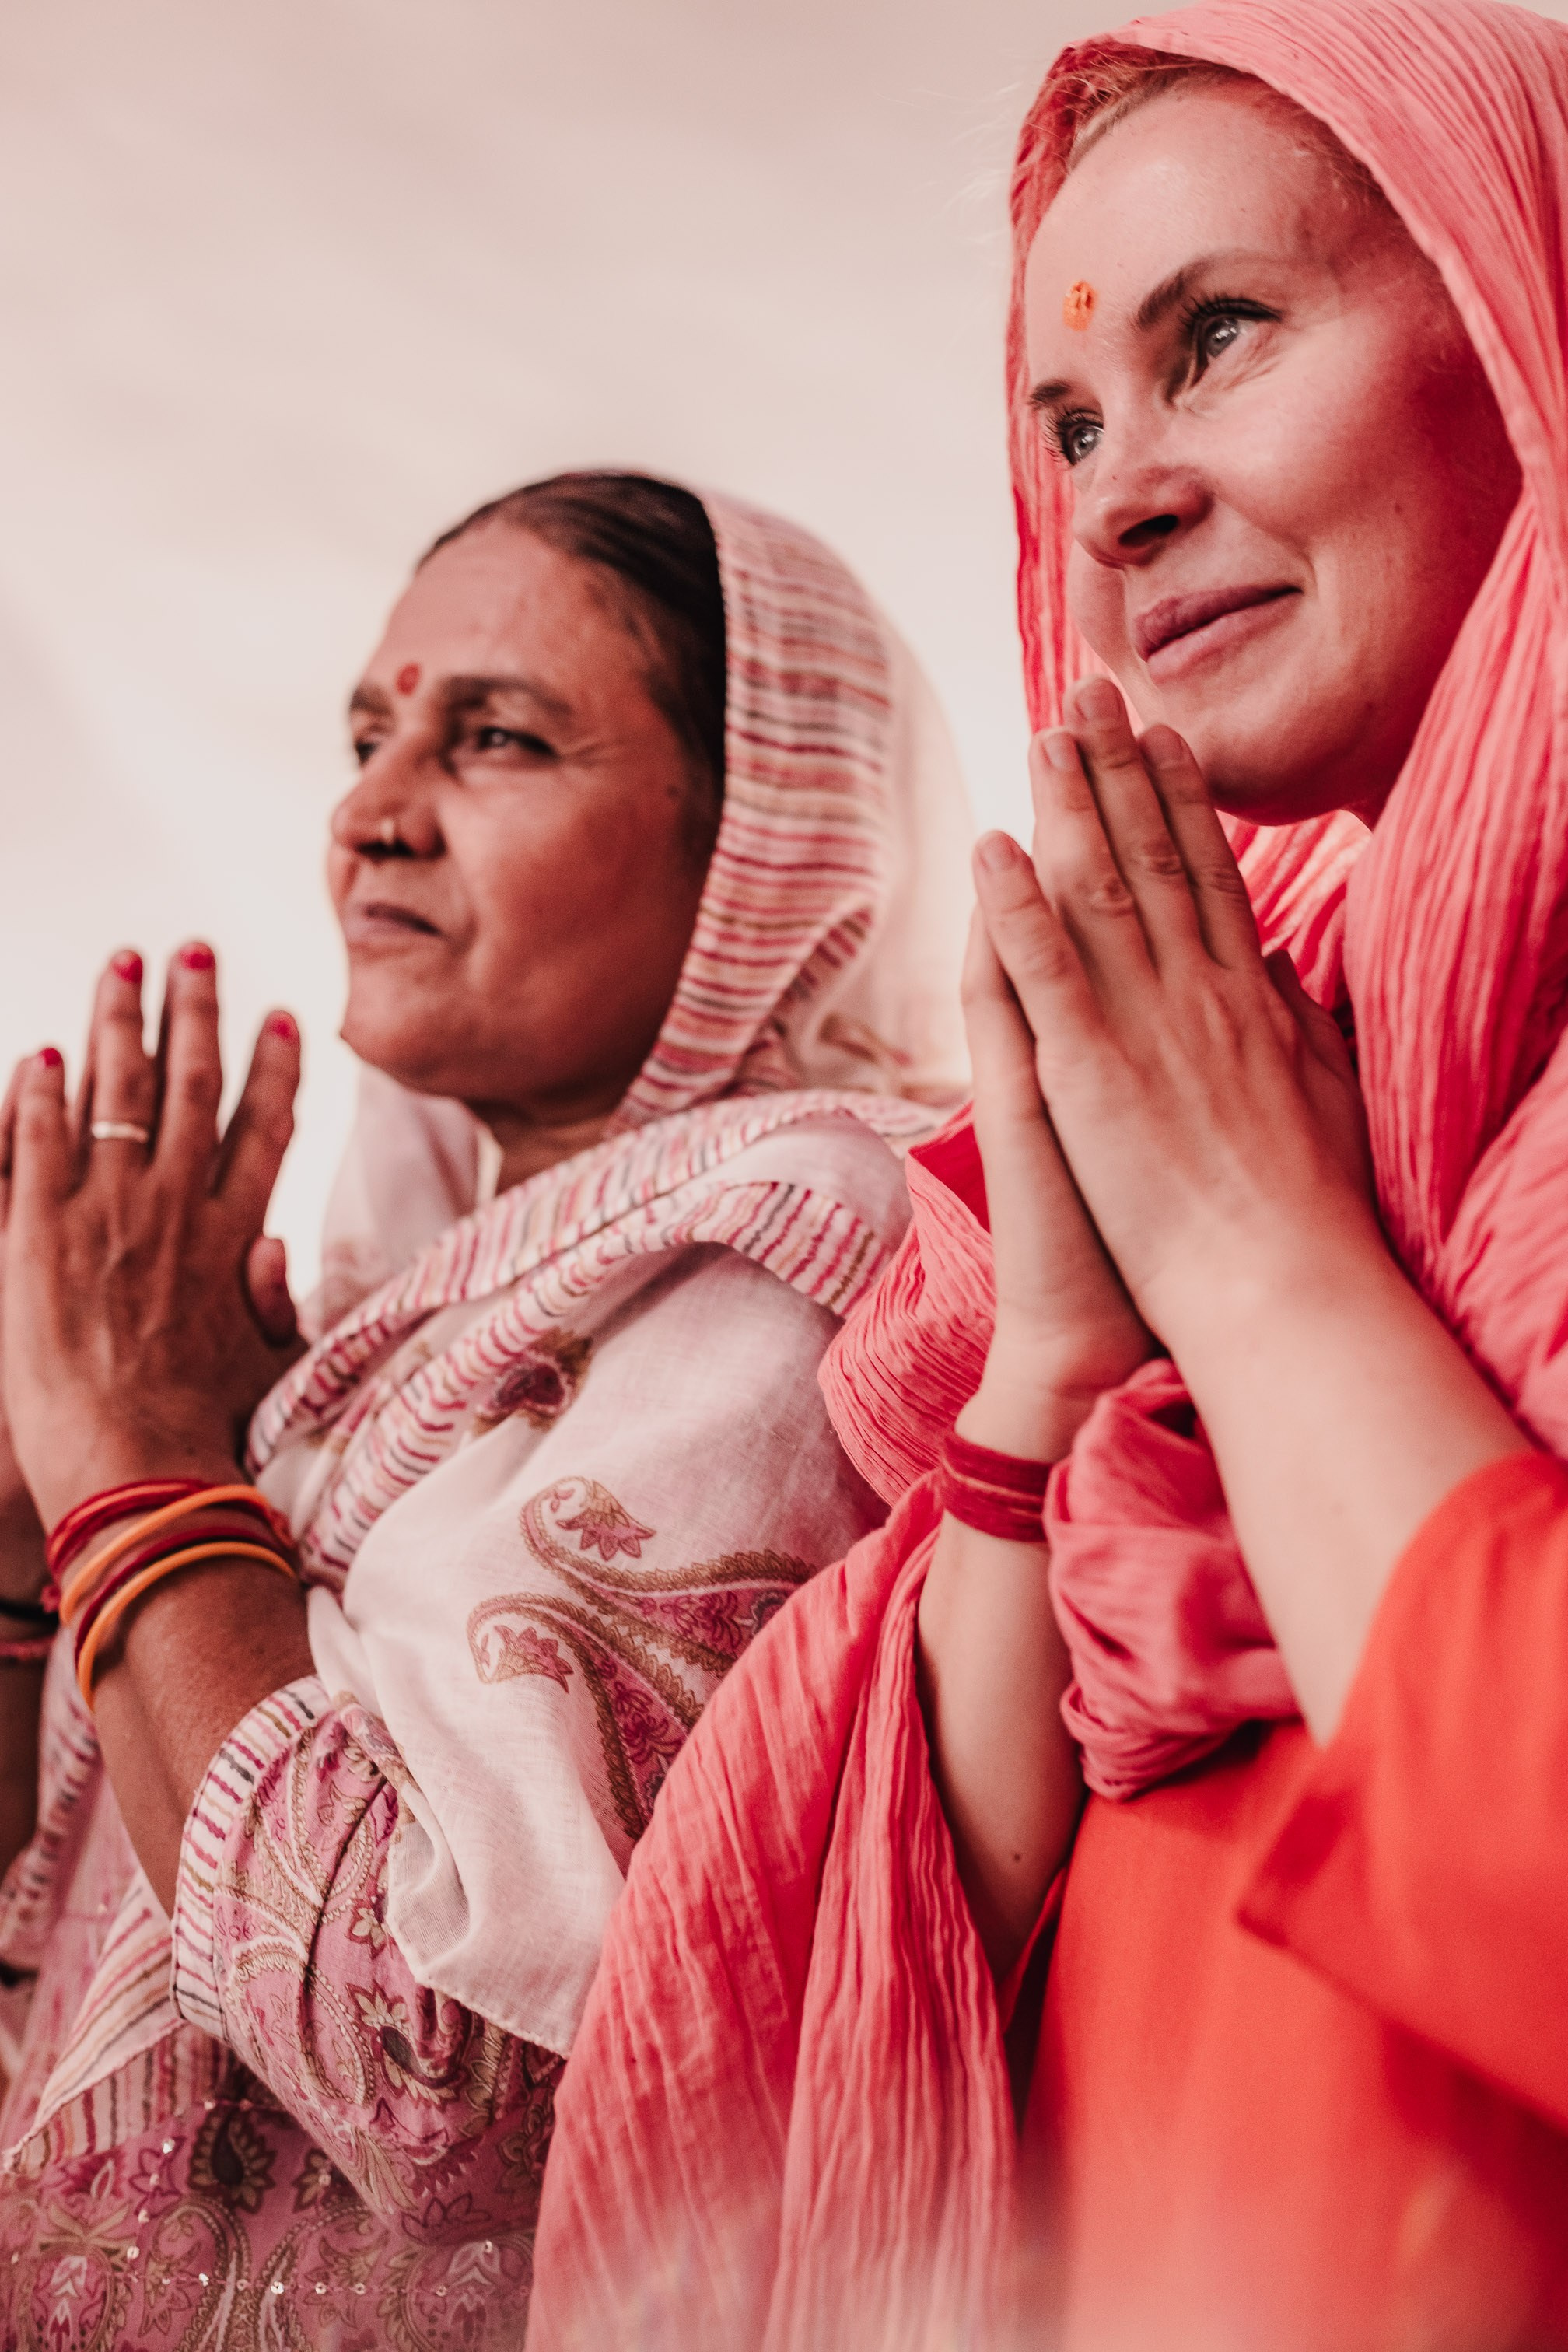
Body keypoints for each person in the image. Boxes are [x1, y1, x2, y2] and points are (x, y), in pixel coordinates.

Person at [523, 10, 1568, 2349]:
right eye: (1068, 424)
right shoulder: (1236, 1047)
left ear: (1529, 312)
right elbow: (957, 1920)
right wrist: (1065, 1358)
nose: (1111, 500)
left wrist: (1260, 1257)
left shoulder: (1245, 1141)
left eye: (1225, 336)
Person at [0, 471, 971, 2347]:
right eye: (371, 733)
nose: (371, 809)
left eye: (499, 738)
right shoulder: (395, 1326)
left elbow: (438, 2068)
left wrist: (136, 1460)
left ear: (768, 841)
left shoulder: (789, 1250)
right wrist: (38, 1501)